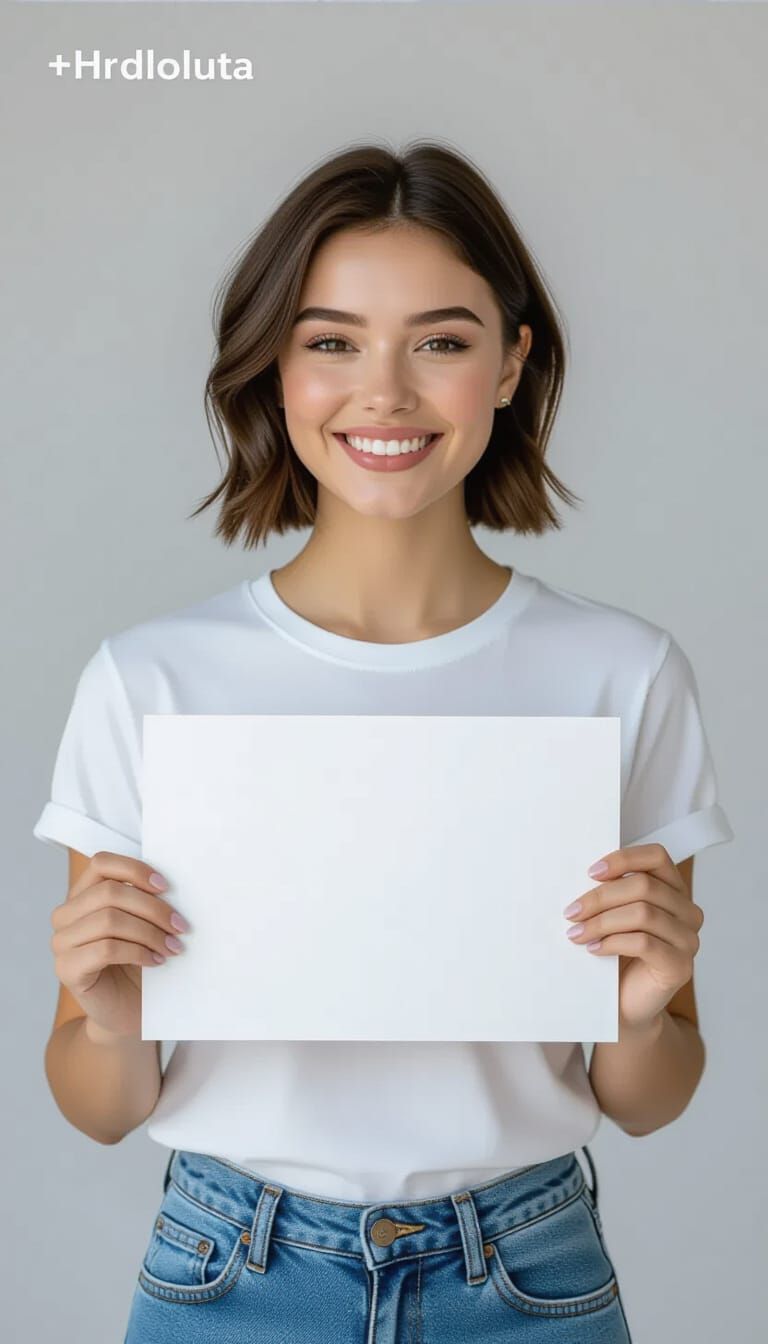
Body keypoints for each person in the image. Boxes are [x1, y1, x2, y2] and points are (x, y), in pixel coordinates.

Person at [34, 141, 734, 1343]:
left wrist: (648, 1004)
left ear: (512, 363)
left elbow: (652, 1099)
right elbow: (98, 1107)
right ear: (276, 368)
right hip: (226, 1274)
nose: (387, 393)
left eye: (443, 341)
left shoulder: (621, 675)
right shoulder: (151, 682)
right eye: (333, 341)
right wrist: (107, 1020)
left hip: (528, 1275)